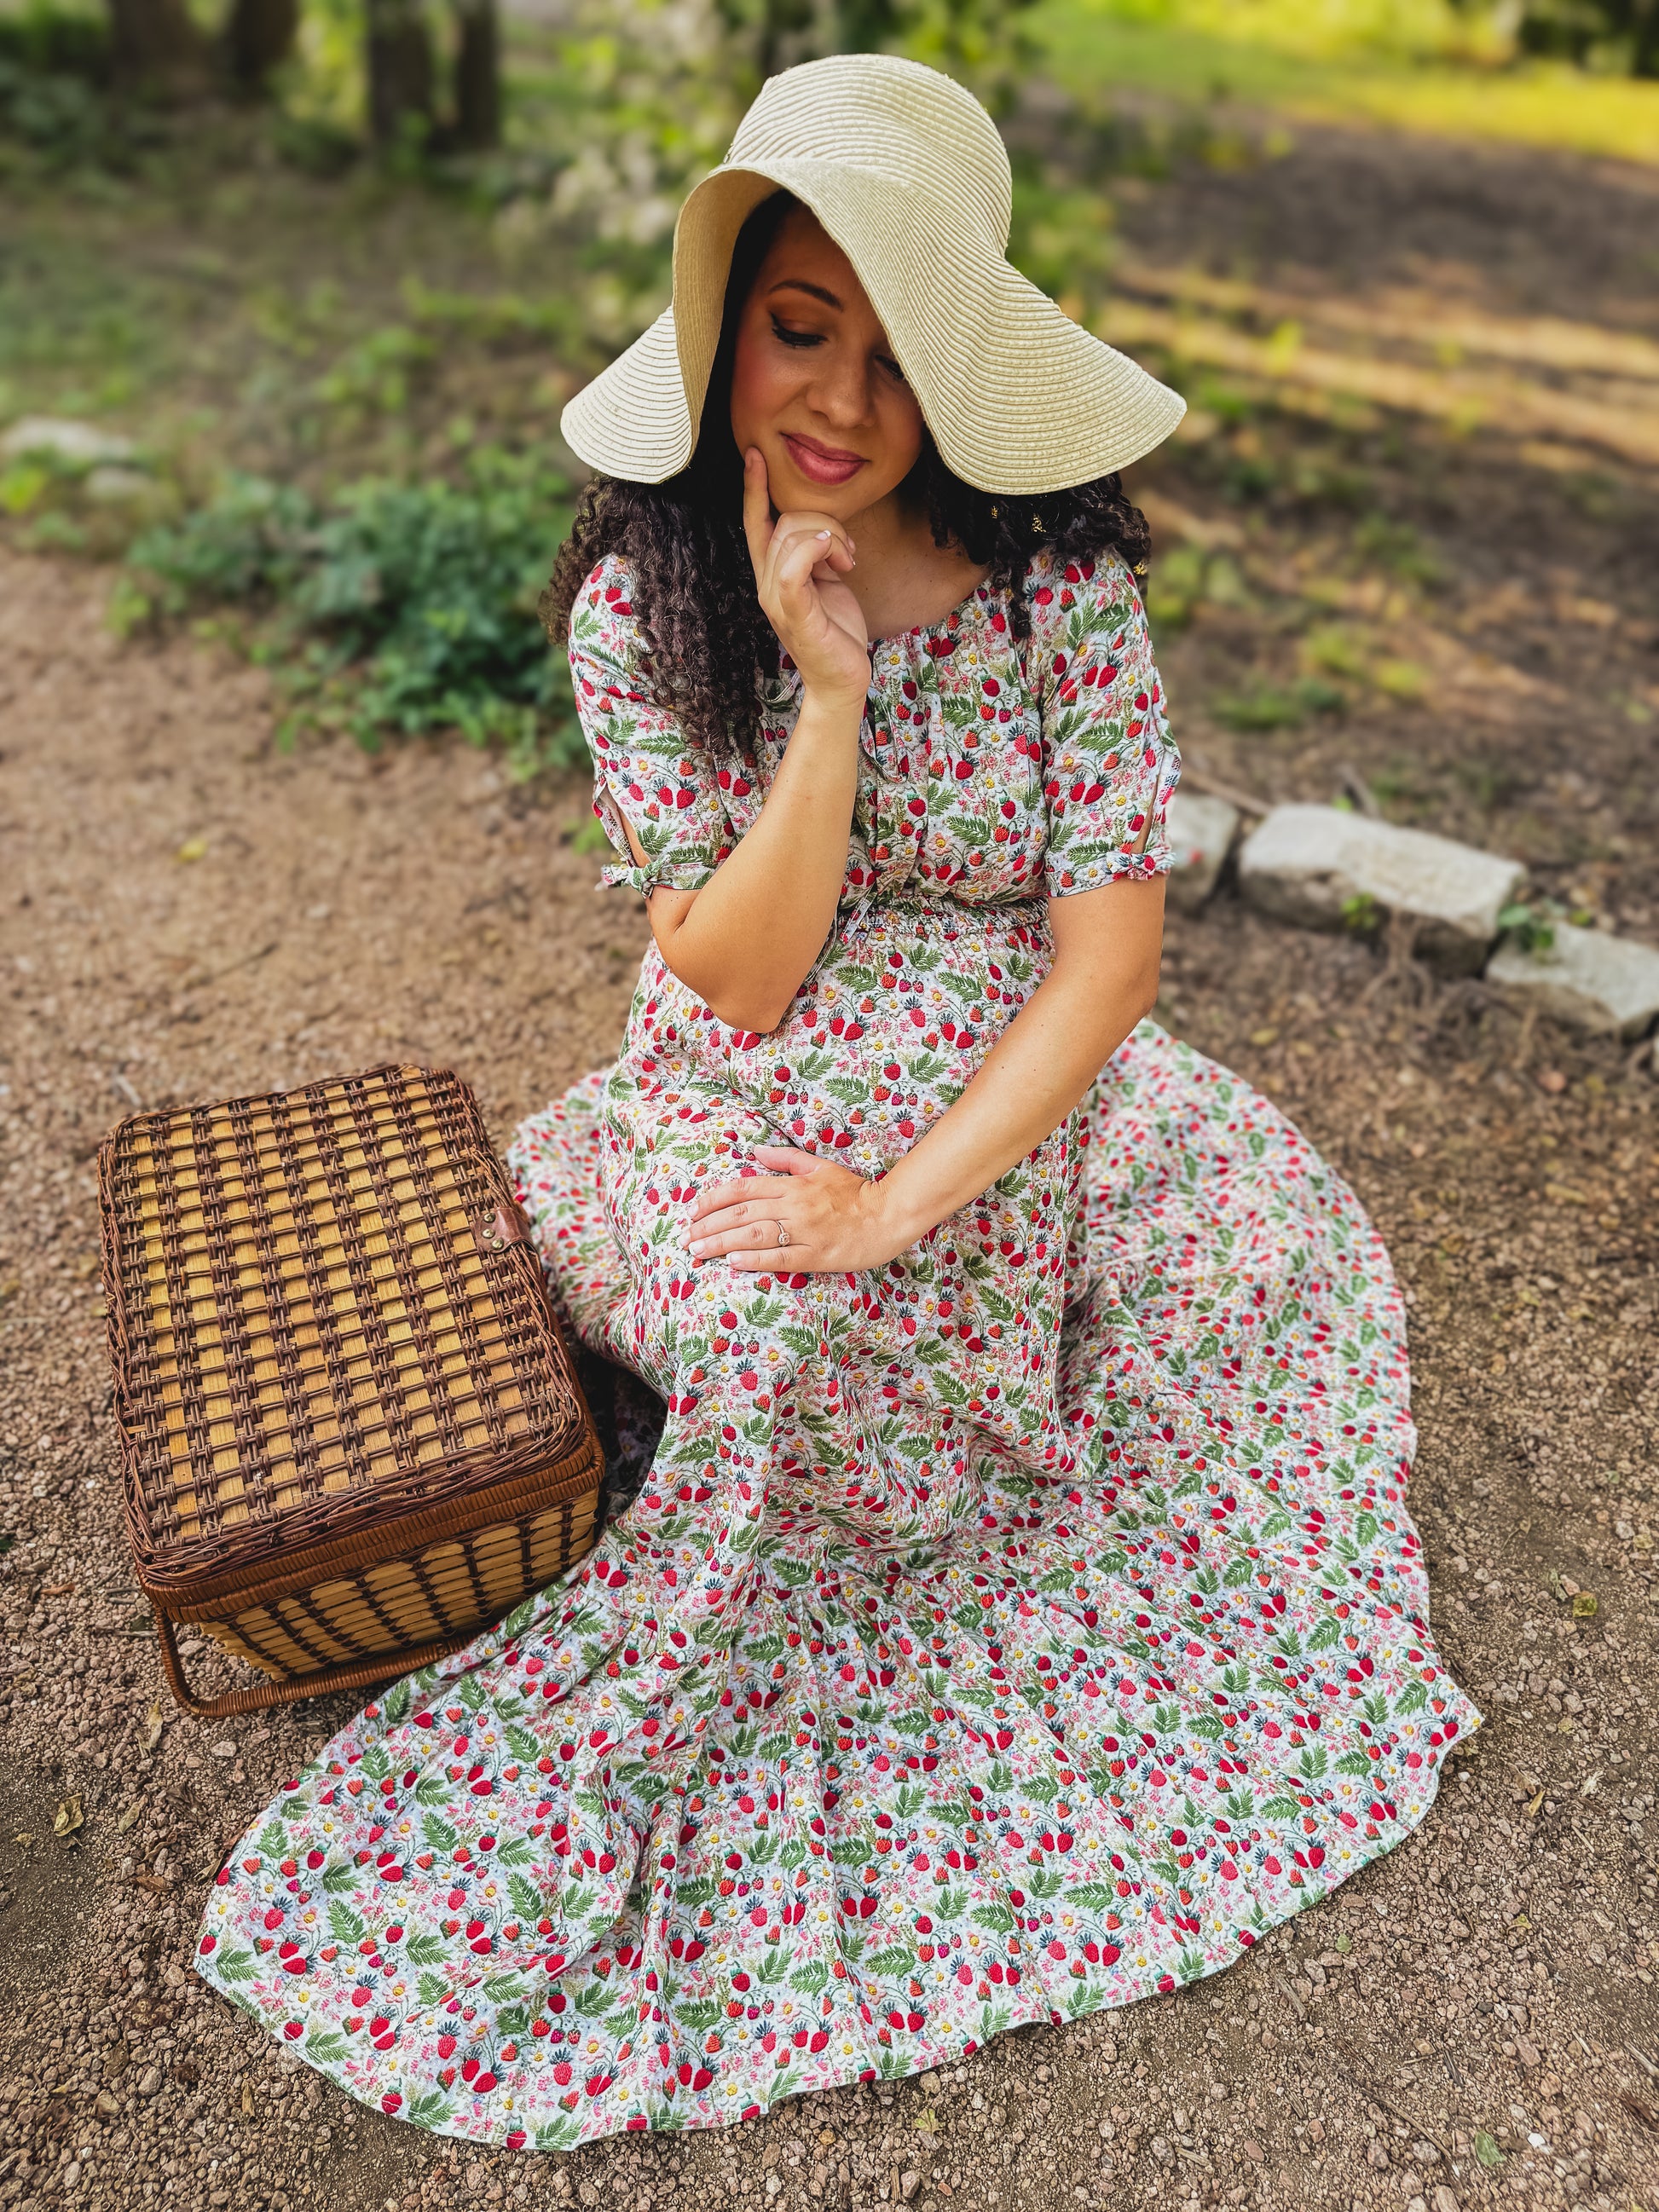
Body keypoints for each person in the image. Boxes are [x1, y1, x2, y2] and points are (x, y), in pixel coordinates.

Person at [197, 53, 1477, 2150]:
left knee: (1233, 1277)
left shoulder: (1061, 588)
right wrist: (830, 696)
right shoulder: (649, 600)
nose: (844, 407)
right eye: (804, 329)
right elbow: (747, 968)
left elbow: (1107, 958)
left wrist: (907, 1195)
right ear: (729, 332)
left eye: (898, 354)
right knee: (769, 1326)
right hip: (760, 1042)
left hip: (1018, 1059)